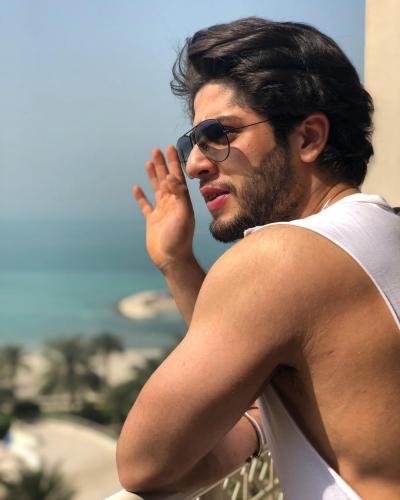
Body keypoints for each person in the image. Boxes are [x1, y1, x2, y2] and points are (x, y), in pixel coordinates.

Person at [116, 17, 400, 499]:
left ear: (308, 138)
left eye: (219, 134)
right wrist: (177, 262)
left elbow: (144, 464)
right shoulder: (383, 233)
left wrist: (253, 424)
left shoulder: (282, 256)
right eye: (193, 142)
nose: (194, 164)